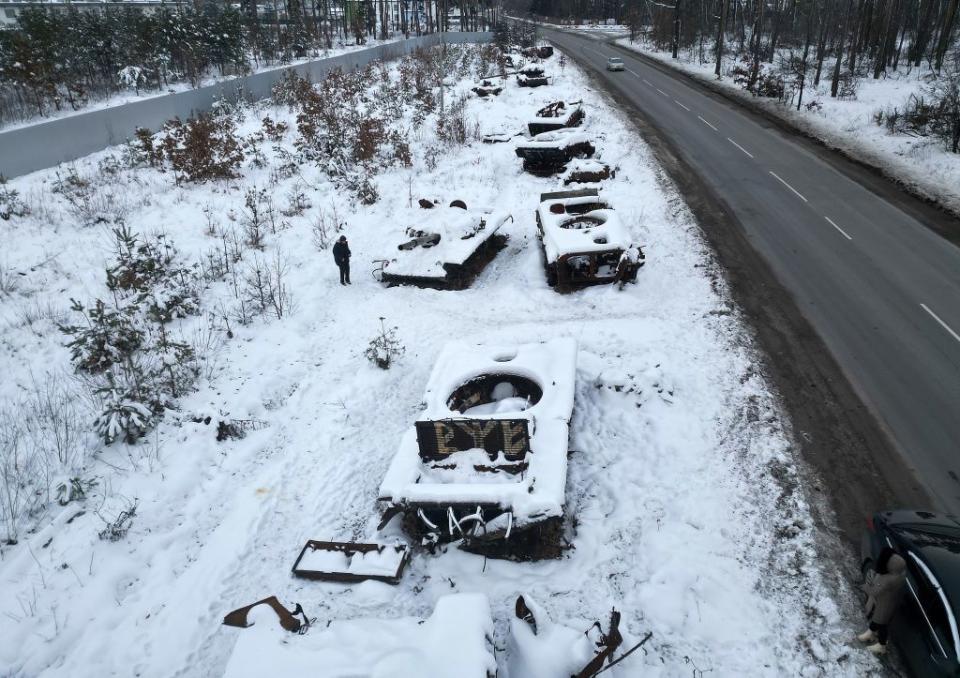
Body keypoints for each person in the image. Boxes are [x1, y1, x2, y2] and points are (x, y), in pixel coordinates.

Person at [858, 547, 907, 655]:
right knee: (878, 621)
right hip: (890, 602)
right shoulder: (900, 576)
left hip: (884, 604)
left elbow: (875, 591)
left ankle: (881, 645)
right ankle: (870, 633)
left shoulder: (887, 579)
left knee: (881, 624)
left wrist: (865, 587)